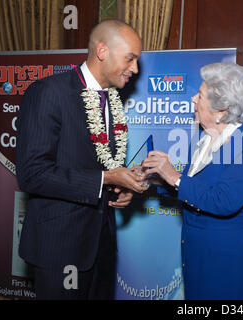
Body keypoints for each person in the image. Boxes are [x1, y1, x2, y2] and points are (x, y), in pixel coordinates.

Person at [16, 19, 146, 299]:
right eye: (130, 58)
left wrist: (117, 186)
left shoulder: (112, 100)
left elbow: (97, 164)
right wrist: (106, 178)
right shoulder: (50, 92)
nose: (135, 69)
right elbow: (32, 173)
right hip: (60, 250)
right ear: (102, 51)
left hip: (102, 246)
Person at [141, 62, 243, 299]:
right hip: (199, 257)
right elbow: (196, 189)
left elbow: (223, 200)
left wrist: (174, 176)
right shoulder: (206, 138)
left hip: (227, 265)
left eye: (200, 96)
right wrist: (157, 179)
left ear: (222, 110)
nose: (193, 101)